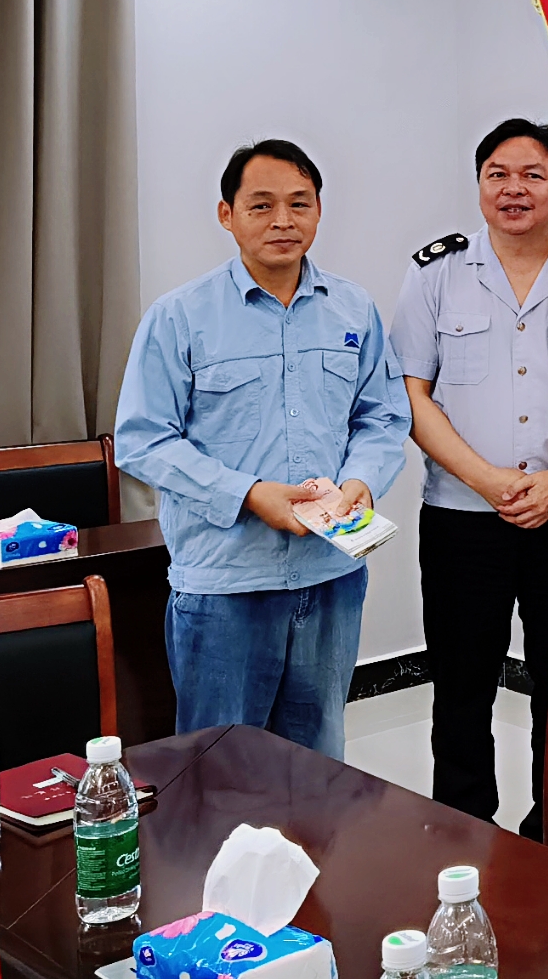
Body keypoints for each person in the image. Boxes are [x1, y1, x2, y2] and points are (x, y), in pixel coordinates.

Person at [114, 139, 410, 760]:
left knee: (318, 763)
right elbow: (143, 440)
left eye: (299, 204)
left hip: (331, 575)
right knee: (220, 769)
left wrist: (362, 480)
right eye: (262, 205)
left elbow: (382, 417)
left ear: (319, 211)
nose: (283, 221)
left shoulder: (353, 308)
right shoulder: (180, 316)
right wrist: (247, 494)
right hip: (225, 584)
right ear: (227, 214)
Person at [391, 119, 548, 839]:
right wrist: (485, 480)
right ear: (479, 184)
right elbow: (411, 393)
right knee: (461, 682)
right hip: (460, 516)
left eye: (532, 175)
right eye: (497, 175)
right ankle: (462, 828)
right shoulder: (435, 275)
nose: (514, 189)